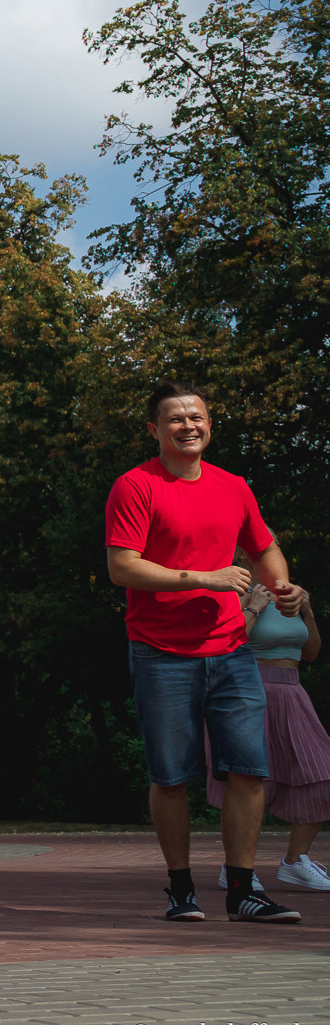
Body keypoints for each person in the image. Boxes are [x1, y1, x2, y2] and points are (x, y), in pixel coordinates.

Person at [105, 381, 304, 922]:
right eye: (175, 419)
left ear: (210, 424)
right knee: (171, 776)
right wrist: (204, 578)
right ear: (154, 429)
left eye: (197, 417)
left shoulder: (233, 486)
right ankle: (180, 889)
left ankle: (244, 890)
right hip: (161, 652)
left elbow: (264, 548)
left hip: (232, 650)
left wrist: (284, 586)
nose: (188, 426)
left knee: (248, 770)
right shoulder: (136, 485)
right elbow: (122, 566)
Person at [205, 560, 327, 891]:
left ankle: (295, 861)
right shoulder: (235, 592)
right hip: (247, 689)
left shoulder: (290, 596)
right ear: (246, 560)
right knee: (246, 780)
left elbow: (310, 653)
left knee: (321, 773)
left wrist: (309, 611)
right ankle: (236, 867)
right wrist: (254, 608)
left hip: (291, 693)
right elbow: (224, 642)